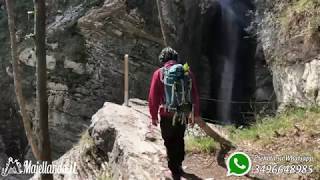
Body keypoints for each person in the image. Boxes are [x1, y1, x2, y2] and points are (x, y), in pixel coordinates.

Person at [148, 47, 201, 179]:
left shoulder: (159, 73)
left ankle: (174, 171)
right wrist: (195, 114)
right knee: (179, 139)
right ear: (176, 59)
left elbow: (153, 97)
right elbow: (194, 95)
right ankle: (178, 165)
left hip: (167, 114)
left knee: (169, 141)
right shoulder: (187, 72)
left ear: (162, 60)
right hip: (183, 114)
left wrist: (153, 116)